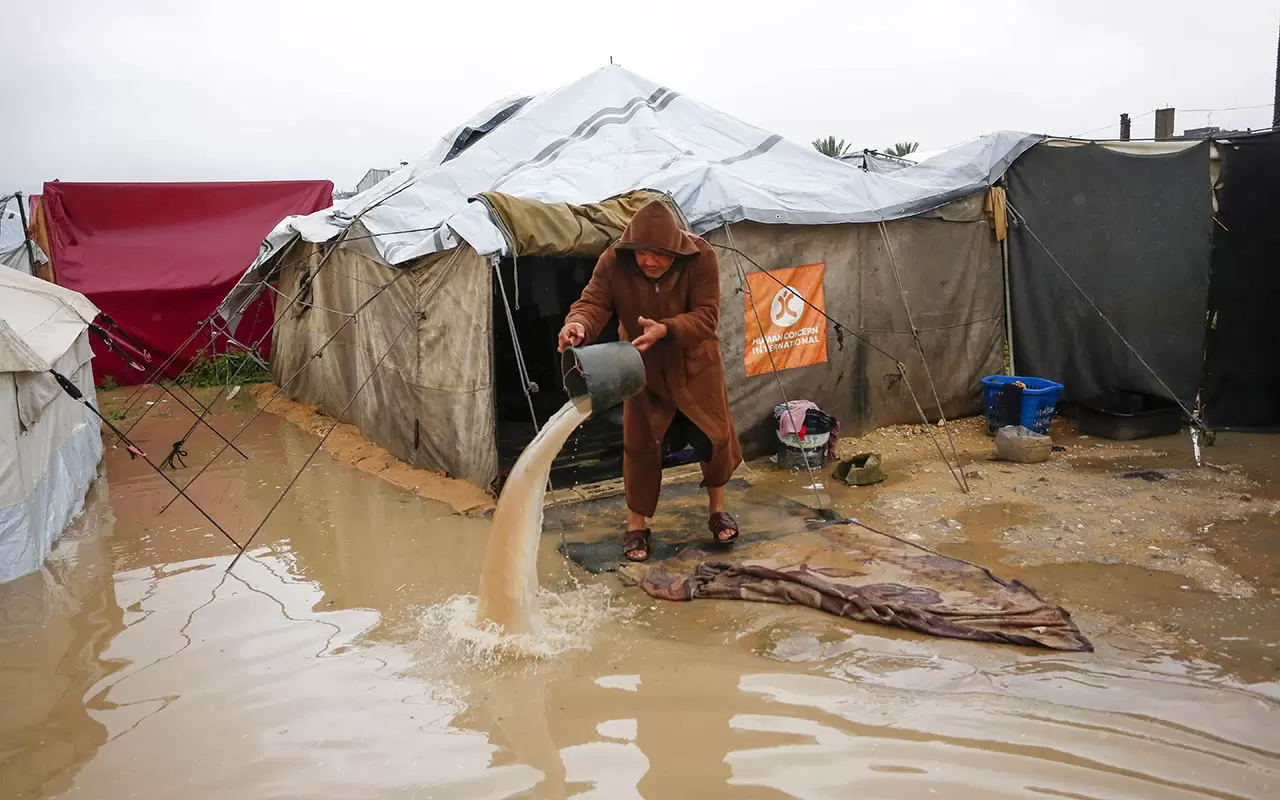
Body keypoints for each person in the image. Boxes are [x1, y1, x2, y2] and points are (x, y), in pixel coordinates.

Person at [557, 200, 742, 562]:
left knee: (716, 439)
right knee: (640, 447)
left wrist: (668, 328)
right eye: (643, 254)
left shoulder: (701, 256)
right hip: (640, 368)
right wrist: (577, 323)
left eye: (660, 255)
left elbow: (707, 316)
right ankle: (636, 526)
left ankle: (717, 509)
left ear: (676, 249)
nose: (650, 262)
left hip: (695, 365)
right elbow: (593, 302)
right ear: (631, 248)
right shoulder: (613, 260)